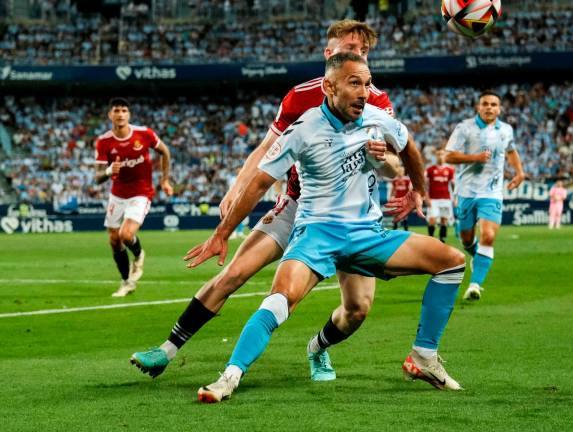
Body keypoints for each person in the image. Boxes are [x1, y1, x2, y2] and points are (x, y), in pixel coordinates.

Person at [130, 20, 402, 382]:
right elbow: (266, 150)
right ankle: (166, 350)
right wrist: (236, 188)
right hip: (297, 206)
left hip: (350, 218)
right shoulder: (300, 97)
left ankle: (317, 347)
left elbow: (394, 162)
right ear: (329, 54)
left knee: (357, 309)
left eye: (364, 51)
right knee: (234, 273)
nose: (359, 55)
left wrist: (387, 163)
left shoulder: (377, 102)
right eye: (350, 49)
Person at [188, 53, 466, 403]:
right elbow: (258, 184)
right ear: (329, 87)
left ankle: (423, 356)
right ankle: (229, 377)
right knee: (279, 301)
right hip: (317, 233)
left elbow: (407, 143)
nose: (364, 92)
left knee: (451, 262)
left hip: (366, 234)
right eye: (355, 83)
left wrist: (418, 190)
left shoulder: (375, 116)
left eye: (367, 84)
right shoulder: (303, 130)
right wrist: (222, 233)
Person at [445, 90, 525, 301]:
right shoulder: (464, 128)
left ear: (499, 109)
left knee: (488, 236)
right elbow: (448, 156)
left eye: (493, 104)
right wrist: (474, 158)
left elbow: (511, 150)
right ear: (478, 107)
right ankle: (477, 255)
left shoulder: (506, 129)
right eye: (485, 104)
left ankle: (475, 285)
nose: (489, 107)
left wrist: (519, 172)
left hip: (492, 192)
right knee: (466, 238)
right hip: (466, 191)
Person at [94, 98, 173, 297]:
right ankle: (126, 282)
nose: (120, 114)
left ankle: (138, 254)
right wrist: (109, 171)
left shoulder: (144, 134)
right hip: (117, 195)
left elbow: (165, 152)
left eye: (124, 110)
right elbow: (97, 177)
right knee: (114, 240)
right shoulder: (104, 141)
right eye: (116, 110)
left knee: (126, 235)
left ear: (129, 114)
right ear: (110, 115)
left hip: (141, 192)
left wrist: (165, 180)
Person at [426, 149, 455, 242]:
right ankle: (430, 239)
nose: (440, 156)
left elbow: (453, 185)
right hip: (433, 199)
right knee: (432, 220)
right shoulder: (430, 169)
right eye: (438, 154)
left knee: (444, 220)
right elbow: (425, 185)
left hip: (446, 199)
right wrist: (426, 198)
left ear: (445, 156)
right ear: (435, 156)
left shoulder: (450, 170)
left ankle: (442, 241)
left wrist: (455, 198)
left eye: (442, 154)